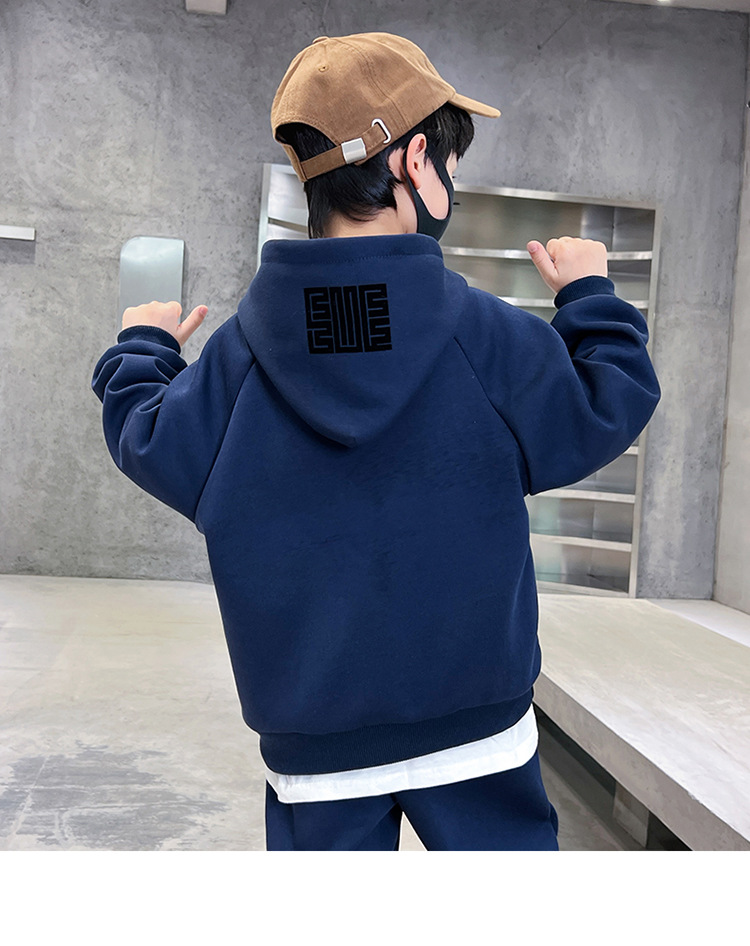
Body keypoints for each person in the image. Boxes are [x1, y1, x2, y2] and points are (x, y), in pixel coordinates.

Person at [91, 32, 661, 851]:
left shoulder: (240, 358)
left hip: (315, 748)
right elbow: (606, 406)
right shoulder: (486, 337)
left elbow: (148, 438)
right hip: (479, 731)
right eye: (450, 166)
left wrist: (142, 346)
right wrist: (590, 296)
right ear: (414, 160)